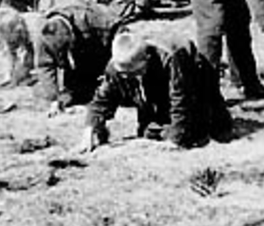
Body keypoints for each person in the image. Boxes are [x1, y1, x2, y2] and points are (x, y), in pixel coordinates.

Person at [79, 30, 232, 153]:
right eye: (123, 75)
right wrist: (90, 129)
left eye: (133, 73)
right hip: (155, 90)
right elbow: (102, 100)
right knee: (149, 132)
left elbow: (180, 99)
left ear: (146, 59)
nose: (126, 78)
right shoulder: (118, 65)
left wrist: (175, 141)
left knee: (203, 130)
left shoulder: (171, 58)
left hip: (195, 80)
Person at [35, 2, 119, 116]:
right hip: (77, 67)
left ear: (71, 34)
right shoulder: (44, 35)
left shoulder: (93, 19)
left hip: (100, 53)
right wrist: (53, 98)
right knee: (70, 98)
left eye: (67, 47)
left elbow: (117, 37)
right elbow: (44, 66)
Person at [0, 6, 45, 87]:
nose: (9, 42)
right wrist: (9, 76)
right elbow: (10, 53)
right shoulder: (8, 28)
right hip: (30, 45)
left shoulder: (35, 27)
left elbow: (42, 57)